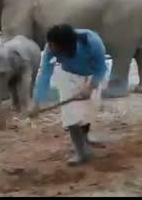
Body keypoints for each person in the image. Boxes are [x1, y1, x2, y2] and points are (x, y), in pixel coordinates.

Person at [30, 24, 108, 166]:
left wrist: (90, 87)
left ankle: (84, 138)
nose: (51, 49)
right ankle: (81, 151)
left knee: (88, 110)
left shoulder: (93, 42)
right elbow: (45, 75)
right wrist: (36, 102)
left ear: (67, 46)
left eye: (55, 47)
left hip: (91, 76)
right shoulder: (50, 49)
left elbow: (101, 68)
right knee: (71, 114)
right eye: (50, 45)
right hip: (68, 76)